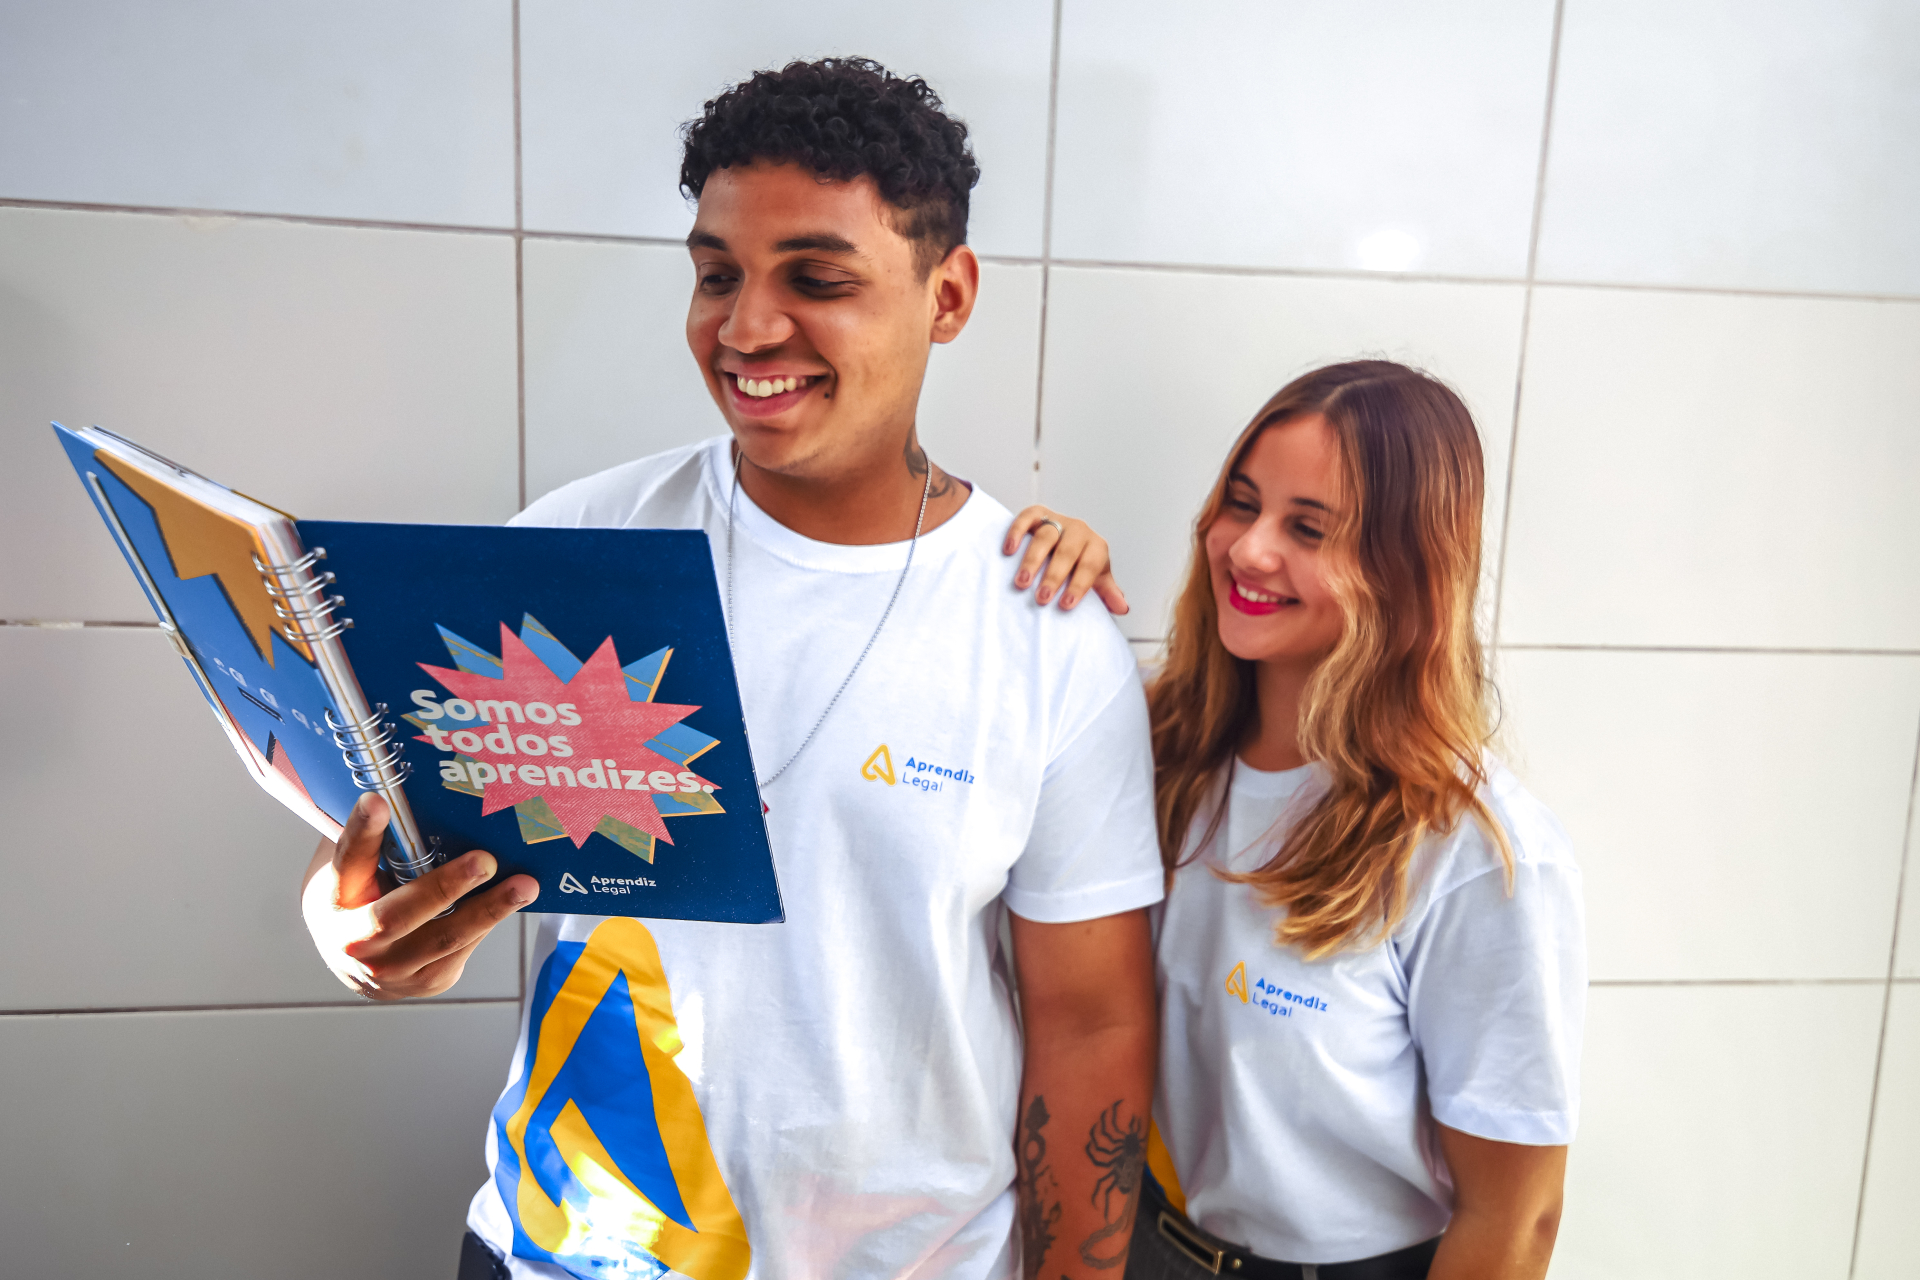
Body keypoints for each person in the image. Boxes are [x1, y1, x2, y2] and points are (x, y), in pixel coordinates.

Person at [300, 59, 1159, 1280]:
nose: (746, 329)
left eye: (817, 278)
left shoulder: (1044, 626)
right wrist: (352, 928)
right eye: (717, 275)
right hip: (566, 1255)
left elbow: (1091, 1024)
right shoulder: (573, 551)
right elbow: (390, 851)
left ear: (949, 294)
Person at [1016, 361, 1586, 1279]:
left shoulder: (1473, 851)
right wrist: (1033, 587)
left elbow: (1516, 1218)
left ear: (1406, 572)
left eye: (1308, 529)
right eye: (1241, 505)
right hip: (1142, 1244)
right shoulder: (1155, 745)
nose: (1248, 550)